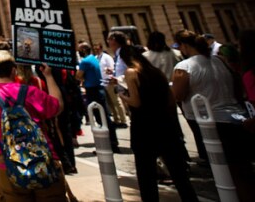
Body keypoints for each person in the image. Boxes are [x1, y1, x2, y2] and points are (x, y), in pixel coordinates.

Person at [173, 30, 254, 199]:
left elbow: (178, 95)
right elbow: (238, 87)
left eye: (180, 46)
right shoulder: (221, 61)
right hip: (237, 118)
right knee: (243, 169)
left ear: (185, 46)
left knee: (227, 174)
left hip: (212, 124)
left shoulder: (184, 67)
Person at [0, 50, 66, 201]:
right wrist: (49, 76)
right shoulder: (30, 92)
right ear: (14, 70)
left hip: (5, 163)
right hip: (43, 161)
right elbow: (58, 106)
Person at [117, 46, 196, 202]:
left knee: (146, 174)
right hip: (165, 124)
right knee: (178, 173)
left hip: (144, 126)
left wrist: (122, 95)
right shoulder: (156, 72)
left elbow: (136, 102)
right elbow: (170, 100)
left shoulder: (131, 72)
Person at [76, 42, 120, 152]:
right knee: (104, 116)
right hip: (99, 89)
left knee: (101, 118)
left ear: (84, 50)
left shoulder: (85, 61)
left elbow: (78, 75)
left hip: (93, 90)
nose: (78, 52)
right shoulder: (93, 58)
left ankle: (109, 144)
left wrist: (81, 77)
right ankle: (112, 142)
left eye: (80, 49)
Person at [95, 42, 126, 127]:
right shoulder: (96, 58)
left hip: (110, 82)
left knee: (116, 101)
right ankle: (116, 120)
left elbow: (113, 68)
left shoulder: (106, 57)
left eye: (97, 47)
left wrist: (110, 71)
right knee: (110, 103)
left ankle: (123, 120)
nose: (96, 49)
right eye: (94, 47)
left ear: (101, 48)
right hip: (102, 83)